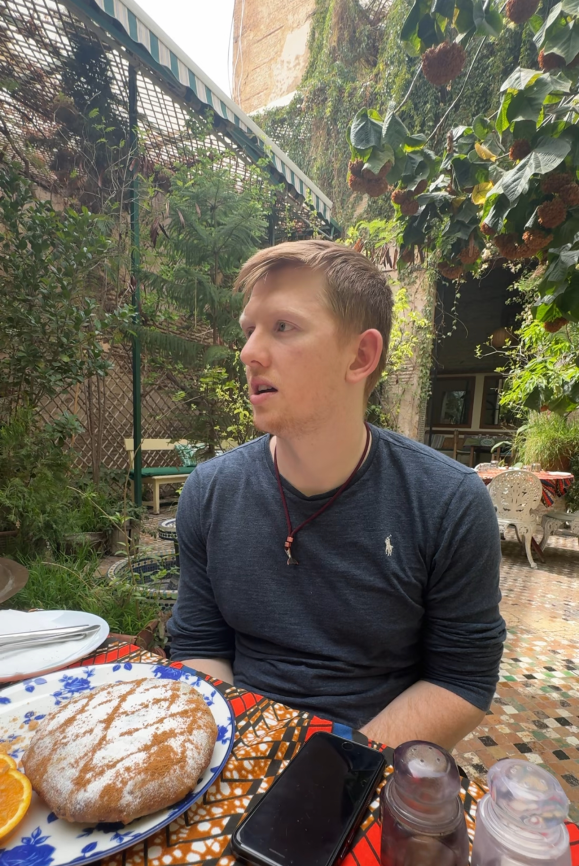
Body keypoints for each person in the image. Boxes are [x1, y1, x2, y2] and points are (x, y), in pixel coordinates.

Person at [168, 240, 505, 750]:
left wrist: (330, 770)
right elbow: (200, 643)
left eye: (283, 327)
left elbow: (462, 680)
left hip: (376, 759)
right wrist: (236, 748)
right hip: (237, 738)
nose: (249, 352)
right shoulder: (211, 491)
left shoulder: (448, 502)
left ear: (361, 355)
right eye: (250, 330)